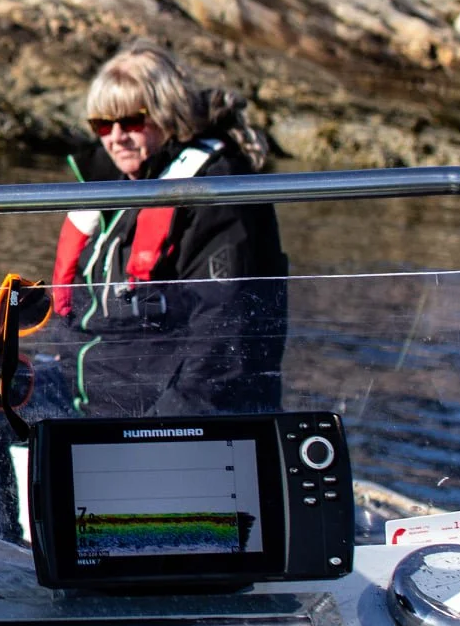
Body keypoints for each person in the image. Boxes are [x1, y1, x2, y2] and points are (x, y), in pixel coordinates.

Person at [48, 40, 287, 416]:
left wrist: (165, 424)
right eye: (102, 125)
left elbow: (224, 335)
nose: (115, 137)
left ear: (167, 114)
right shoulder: (118, 186)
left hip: (157, 415)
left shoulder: (217, 191)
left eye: (131, 121)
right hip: (86, 392)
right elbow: (83, 306)